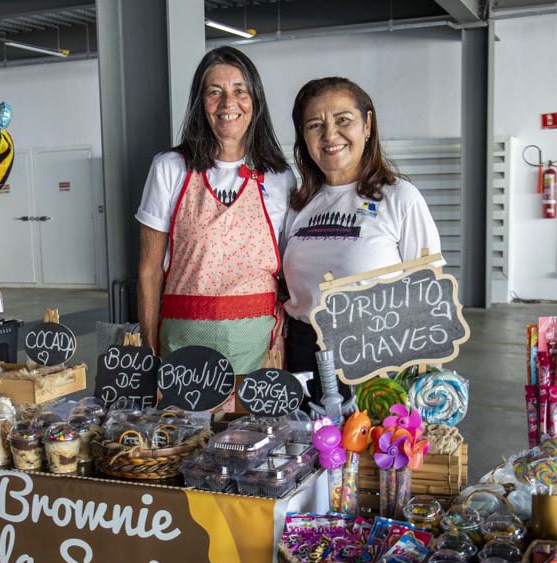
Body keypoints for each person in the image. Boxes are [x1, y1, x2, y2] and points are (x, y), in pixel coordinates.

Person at [136, 46, 294, 373]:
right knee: (184, 426)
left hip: (258, 349)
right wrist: (149, 350)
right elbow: (150, 271)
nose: (228, 103)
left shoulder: (280, 178)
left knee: (254, 426)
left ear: (256, 101)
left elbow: (292, 270)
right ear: (199, 103)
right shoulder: (170, 168)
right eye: (214, 92)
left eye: (240, 91)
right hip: (183, 346)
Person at [282, 77, 444, 388]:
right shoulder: (297, 205)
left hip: (374, 358)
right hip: (303, 356)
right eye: (315, 125)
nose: (330, 135)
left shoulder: (400, 198)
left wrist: (424, 383)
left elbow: (430, 298)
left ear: (367, 125)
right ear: (304, 137)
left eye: (343, 120)